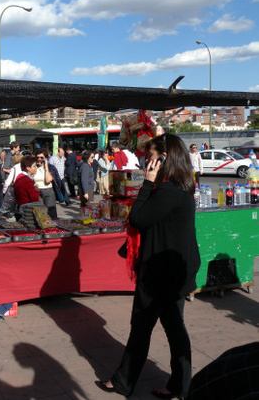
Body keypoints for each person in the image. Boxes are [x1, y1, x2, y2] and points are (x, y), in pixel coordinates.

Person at [97, 133, 200, 399]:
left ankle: (123, 382)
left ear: (163, 159)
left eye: (150, 157)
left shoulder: (167, 190)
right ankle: (179, 385)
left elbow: (139, 219)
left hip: (161, 272)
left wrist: (146, 184)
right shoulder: (182, 186)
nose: (146, 162)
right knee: (173, 328)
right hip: (174, 269)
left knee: (143, 326)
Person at [34, 149, 57, 218]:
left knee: (51, 213)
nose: (39, 159)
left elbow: (48, 180)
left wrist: (46, 167)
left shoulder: (50, 167)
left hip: (48, 191)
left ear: (46, 158)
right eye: (37, 157)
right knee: (39, 213)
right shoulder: (34, 167)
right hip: (37, 191)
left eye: (41, 158)